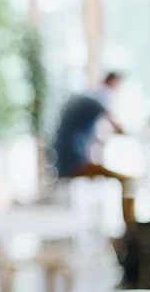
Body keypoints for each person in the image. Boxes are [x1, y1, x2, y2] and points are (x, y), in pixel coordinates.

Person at [52, 71, 135, 223]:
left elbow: (97, 135)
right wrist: (134, 133)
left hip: (64, 159)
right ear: (113, 83)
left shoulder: (87, 96)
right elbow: (115, 125)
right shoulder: (101, 96)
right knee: (127, 181)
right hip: (74, 162)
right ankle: (131, 232)